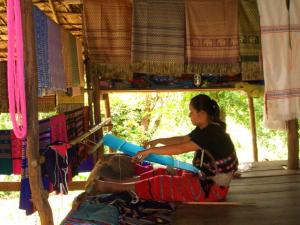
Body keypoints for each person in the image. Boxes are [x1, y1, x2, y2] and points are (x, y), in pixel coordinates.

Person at [91, 94, 238, 202]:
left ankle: (115, 186)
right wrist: (158, 141)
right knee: (163, 171)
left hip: (213, 190)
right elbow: (183, 139)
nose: (189, 115)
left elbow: (181, 148)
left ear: (202, 114)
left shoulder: (212, 133)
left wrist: (150, 151)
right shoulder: (206, 128)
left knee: (162, 182)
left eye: (191, 112)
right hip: (206, 180)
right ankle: (123, 183)